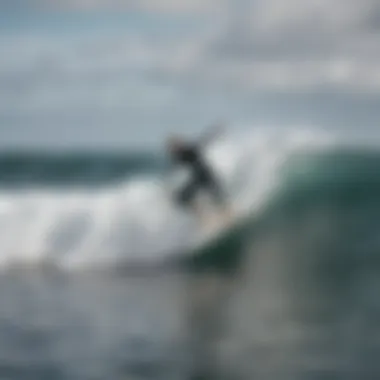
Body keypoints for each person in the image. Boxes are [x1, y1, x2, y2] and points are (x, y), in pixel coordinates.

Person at [166, 124, 226, 211]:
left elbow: (204, 140)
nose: (173, 148)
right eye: (171, 147)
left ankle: (226, 210)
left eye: (174, 145)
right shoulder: (177, 156)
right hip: (197, 178)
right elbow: (175, 168)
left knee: (217, 195)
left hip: (206, 175)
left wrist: (215, 131)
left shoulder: (189, 149)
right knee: (181, 198)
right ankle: (200, 214)